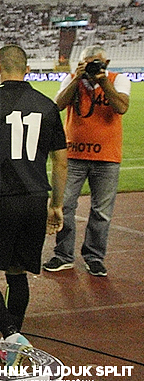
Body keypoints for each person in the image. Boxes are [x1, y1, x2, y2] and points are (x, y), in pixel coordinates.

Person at [0, 45, 67, 364]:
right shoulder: (47, 105)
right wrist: (57, 206)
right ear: (27, 70)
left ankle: (10, 331)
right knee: (17, 273)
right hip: (34, 197)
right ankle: (12, 343)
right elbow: (61, 163)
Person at [43, 46, 130, 277]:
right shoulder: (71, 79)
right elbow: (57, 106)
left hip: (107, 157)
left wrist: (102, 81)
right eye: (87, 63)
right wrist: (78, 79)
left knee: (102, 211)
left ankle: (94, 257)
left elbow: (121, 106)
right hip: (73, 155)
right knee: (65, 206)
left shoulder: (118, 80)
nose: (92, 67)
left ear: (106, 62)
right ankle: (63, 255)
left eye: (97, 63)